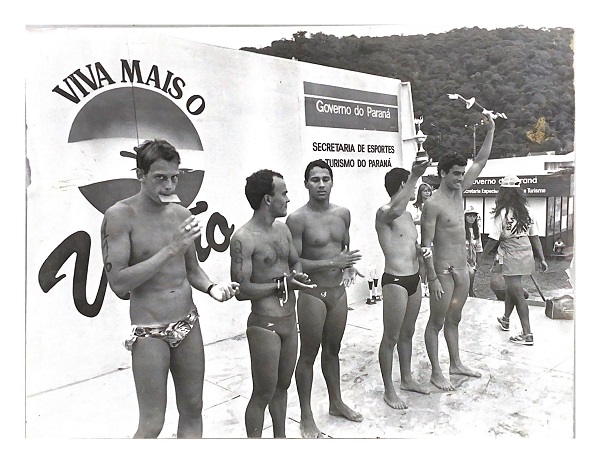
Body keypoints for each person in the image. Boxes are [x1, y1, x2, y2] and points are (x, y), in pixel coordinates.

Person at [101, 139, 239, 438]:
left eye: (174, 177)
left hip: (188, 323)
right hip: (150, 330)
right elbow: (118, 283)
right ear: (140, 174)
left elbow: (192, 270)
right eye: (160, 178)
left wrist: (213, 287)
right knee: (152, 423)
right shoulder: (120, 216)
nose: (168, 185)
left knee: (193, 407)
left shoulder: (180, 213)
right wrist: (170, 248)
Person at [230, 169, 315, 438]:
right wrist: (283, 285)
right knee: (262, 393)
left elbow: (294, 262)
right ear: (268, 199)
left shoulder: (283, 229)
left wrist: (297, 274)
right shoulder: (243, 238)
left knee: (282, 386)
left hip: (289, 320)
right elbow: (241, 290)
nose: (288, 199)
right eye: (284, 193)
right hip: (264, 325)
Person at [286, 159, 363, 438]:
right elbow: (293, 265)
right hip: (312, 294)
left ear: (332, 182)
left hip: (337, 293)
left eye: (325, 179)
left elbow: (345, 248)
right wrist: (334, 260)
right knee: (308, 354)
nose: (321, 184)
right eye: (315, 179)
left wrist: (348, 265)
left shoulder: (343, 214)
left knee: (333, 350)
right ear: (306, 183)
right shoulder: (297, 219)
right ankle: (306, 417)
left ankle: (336, 403)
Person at [420, 112, 495, 391]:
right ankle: (436, 371)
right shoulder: (434, 204)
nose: (460, 178)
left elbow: (481, 161)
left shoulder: (460, 192)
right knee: (436, 322)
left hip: (462, 270)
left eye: (462, 174)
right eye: (455, 174)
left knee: (455, 318)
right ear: (442, 173)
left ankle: (456, 363)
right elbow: (425, 245)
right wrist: (433, 278)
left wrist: (490, 132)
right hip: (443, 271)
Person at [375, 160, 431, 409]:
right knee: (391, 336)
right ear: (402, 185)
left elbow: (407, 245)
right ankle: (389, 389)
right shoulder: (384, 212)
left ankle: (407, 378)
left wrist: (421, 252)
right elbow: (392, 213)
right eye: (409, 183)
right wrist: (414, 177)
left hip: (414, 279)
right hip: (395, 281)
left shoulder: (408, 215)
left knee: (408, 333)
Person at [479, 174, 548, 346]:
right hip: (525, 252)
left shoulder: (502, 212)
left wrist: (482, 257)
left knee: (517, 293)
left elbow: (494, 238)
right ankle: (506, 319)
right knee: (511, 288)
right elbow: (534, 237)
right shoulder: (528, 211)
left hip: (510, 253)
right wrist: (541, 258)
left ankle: (527, 333)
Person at [412, 183, 434, 296]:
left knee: (430, 261)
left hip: (431, 237)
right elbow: (412, 221)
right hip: (419, 236)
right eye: (424, 191)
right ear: (420, 193)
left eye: (428, 191)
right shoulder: (415, 207)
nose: (427, 193)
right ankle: (422, 285)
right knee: (421, 262)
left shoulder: (433, 205)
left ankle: (430, 284)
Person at [464, 205, 483, 297]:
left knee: (472, 273)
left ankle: (470, 290)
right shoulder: (461, 229)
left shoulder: (476, 230)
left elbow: (479, 246)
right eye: (469, 216)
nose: (472, 218)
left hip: (472, 257)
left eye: (474, 216)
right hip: (463, 256)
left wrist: (479, 259)